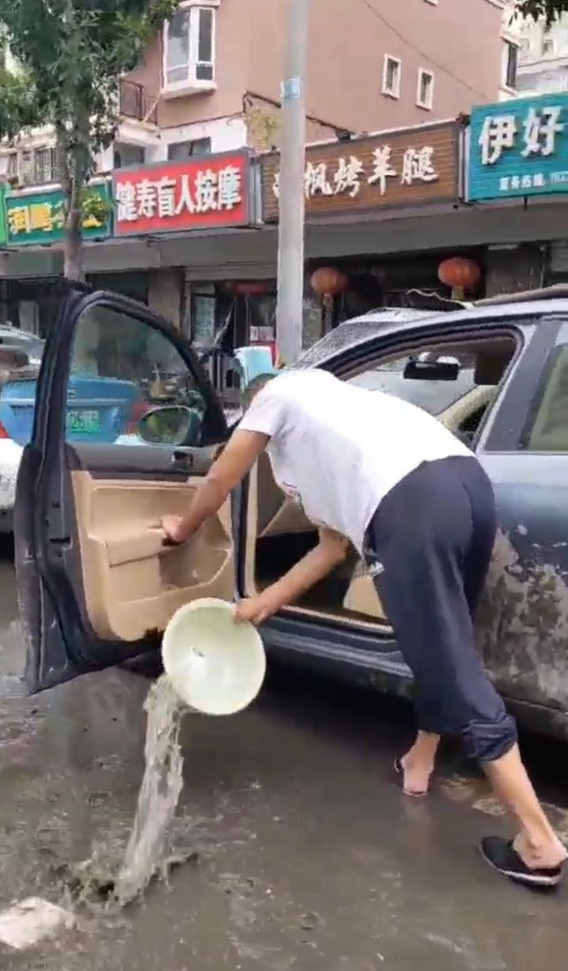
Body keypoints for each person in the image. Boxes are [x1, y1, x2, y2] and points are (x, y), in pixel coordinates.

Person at [161, 368, 567, 888]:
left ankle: (537, 841)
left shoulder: (279, 393)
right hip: (467, 485)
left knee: (453, 668)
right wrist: (261, 605)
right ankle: (419, 762)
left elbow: (221, 477)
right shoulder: (348, 417)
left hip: (410, 506)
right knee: (447, 644)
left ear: (253, 403)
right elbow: (332, 548)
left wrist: (183, 526)